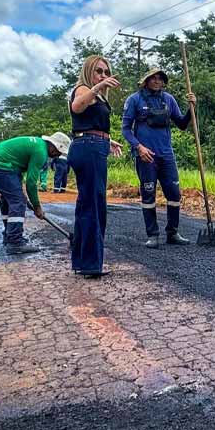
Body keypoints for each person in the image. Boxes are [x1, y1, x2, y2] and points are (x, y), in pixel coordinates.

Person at [121, 68, 195, 247]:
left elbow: (182, 124)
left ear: (163, 82)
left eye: (160, 78)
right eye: (153, 78)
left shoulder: (169, 99)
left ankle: (173, 233)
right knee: (148, 195)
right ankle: (152, 235)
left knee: (174, 194)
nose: (156, 81)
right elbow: (126, 129)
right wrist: (139, 147)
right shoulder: (134, 99)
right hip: (146, 156)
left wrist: (192, 108)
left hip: (166, 155)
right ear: (146, 81)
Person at [68, 55, 123, 278]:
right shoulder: (83, 89)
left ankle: (83, 261)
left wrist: (107, 141)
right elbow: (77, 107)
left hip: (93, 145)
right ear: (88, 71)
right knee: (93, 205)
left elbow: (89, 123)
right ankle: (91, 264)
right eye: (98, 71)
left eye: (106, 72)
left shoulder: (96, 96)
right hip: (88, 148)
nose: (103, 75)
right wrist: (98, 87)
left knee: (88, 203)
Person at [0, 132, 71, 254]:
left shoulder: (38, 145)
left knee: (9, 199)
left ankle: (9, 235)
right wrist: (37, 206)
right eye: (59, 152)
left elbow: (19, 170)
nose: (58, 155)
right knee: (17, 201)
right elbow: (31, 183)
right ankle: (15, 242)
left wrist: (21, 192)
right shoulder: (41, 152)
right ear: (54, 147)